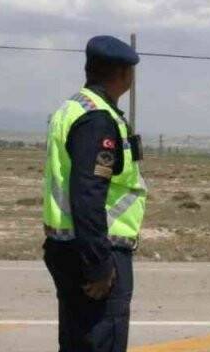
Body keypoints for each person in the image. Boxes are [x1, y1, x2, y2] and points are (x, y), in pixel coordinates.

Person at [42, 35, 149, 352]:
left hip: (69, 245)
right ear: (122, 75)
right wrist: (100, 265)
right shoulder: (96, 119)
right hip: (97, 249)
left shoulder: (73, 108)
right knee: (102, 341)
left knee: (77, 343)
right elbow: (88, 194)